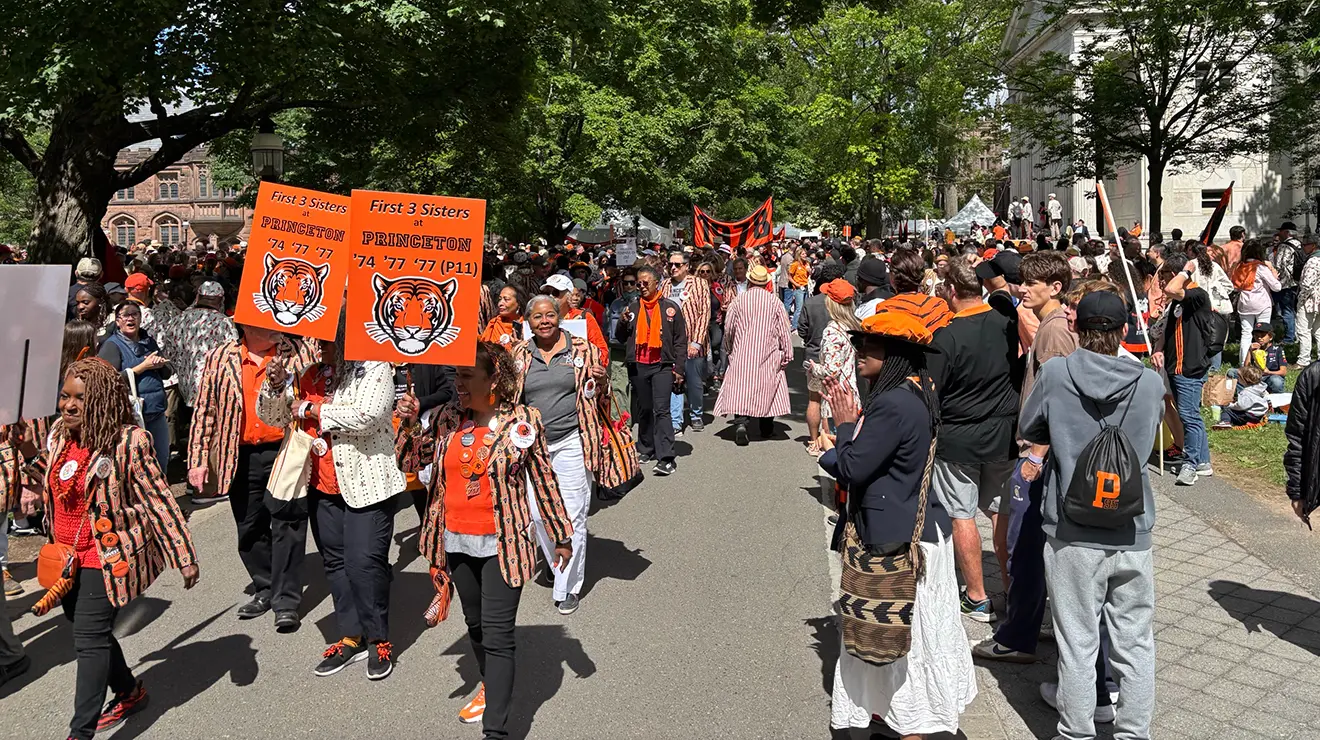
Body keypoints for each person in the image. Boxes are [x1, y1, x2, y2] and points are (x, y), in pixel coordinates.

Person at [819, 301, 977, 739]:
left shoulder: (892, 404)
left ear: (895, 355)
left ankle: (909, 726)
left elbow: (853, 468)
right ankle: (889, 715)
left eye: (871, 345)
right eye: (862, 342)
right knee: (903, 645)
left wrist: (843, 433)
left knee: (896, 644)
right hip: (917, 529)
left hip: (896, 541)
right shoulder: (917, 388)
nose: (861, 350)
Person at [1018, 291, 1163, 740]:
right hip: (1131, 526)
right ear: (1124, 331)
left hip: (1071, 526)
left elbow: (1028, 426)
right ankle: (1134, 732)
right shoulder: (1150, 381)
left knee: (1077, 641)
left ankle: (1076, 732)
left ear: (1077, 327)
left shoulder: (1058, 372)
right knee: (1136, 642)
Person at [419, 342, 574, 738]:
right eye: (456, 376)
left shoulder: (522, 421)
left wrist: (560, 533)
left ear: (494, 380)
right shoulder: (447, 418)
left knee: (499, 634)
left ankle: (496, 732)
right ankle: (491, 685)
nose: (458, 384)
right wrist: (407, 422)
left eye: (467, 376)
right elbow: (415, 464)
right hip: (455, 540)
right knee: (475, 625)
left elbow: (543, 478)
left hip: (503, 544)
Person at [39, 358, 199, 739]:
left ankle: (80, 732)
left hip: (105, 557)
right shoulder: (61, 433)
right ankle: (129, 690)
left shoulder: (128, 441)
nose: (69, 405)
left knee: (88, 640)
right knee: (83, 627)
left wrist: (184, 555)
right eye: (65, 396)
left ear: (103, 401)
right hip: (65, 556)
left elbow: (158, 499)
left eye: (81, 398)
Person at [258, 324, 406, 680]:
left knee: (364, 564)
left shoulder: (374, 366)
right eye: (316, 339)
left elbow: (368, 416)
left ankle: (378, 639)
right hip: (323, 486)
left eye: (325, 339)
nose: (317, 345)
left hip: (367, 483)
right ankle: (350, 636)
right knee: (335, 564)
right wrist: (275, 385)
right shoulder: (309, 373)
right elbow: (274, 417)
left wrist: (310, 408)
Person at [972, 251, 1076, 664]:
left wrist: (1035, 455)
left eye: (1033, 283)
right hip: (1038, 450)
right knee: (1030, 548)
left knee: (1025, 548)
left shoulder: (1053, 331)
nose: (1023, 288)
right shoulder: (1051, 324)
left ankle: (1017, 637)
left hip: (1038, 455)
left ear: (1055, 287)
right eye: (1023, 281)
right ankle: (1032, 623)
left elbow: (1058, 400)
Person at [189, 325, 310, 632]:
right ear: (247, 325)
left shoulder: (296, 351)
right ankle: (266, 585)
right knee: (249, 526)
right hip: (239, 454)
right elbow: (206, 409)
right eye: (267, 322)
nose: (276, 327)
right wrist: (198, 459)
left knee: (288, 525)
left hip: (284, 449)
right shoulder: (220, 358)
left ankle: (286, 601)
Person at [928, 258, 1019, 623]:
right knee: (1003, 512)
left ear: (951, 292)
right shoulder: (1006, 324)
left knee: (961, 514)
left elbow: (932, 390)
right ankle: (1015, 592)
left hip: (958, 438)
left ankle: (978, 597)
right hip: (1002, 433)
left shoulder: (945, 336)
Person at [510, 295, 611, 615]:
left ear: (560, 317)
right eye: (537, 316)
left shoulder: (582, 349)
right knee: (538, 514)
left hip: (572, 441)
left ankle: (567, 586)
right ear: (527, 321)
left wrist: (603, 380)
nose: (544, 321)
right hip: (532, 448)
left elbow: (601, 395)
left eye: (550, 315)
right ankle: (557, 560)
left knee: (574, 514)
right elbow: (507, 397)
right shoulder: (518, 354)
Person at [615, 265, 687, 476]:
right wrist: (621, 322)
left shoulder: (670, 308)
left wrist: (679, 369)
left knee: (661, 409)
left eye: (646, 282)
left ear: (657, 283)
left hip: (662, 366)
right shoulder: (632, 309)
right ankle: (646, 448)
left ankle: (666, 457)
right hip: (638, 365)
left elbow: (680, 341)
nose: (642, 286)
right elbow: (620, 337)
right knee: (644, 408)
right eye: (639, 283)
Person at [1155, 254, 1217, 487]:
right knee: (1189, 414)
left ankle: (1190, 464)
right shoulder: (1177, 303)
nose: (1161, 282)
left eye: (1162, 276)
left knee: (1189, 416)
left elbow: (1172, 288)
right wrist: (1159, 349)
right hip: (1174, 365)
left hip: (1189, 367)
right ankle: (1203, 462)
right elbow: (1168, 328)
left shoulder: (1197, 295)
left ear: (1173, 275)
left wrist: (1186, 270)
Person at [714, 264, 793, 445]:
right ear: (766, 283)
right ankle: (766, 427)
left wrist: (730, 347)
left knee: (742, 386)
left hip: (743, 351)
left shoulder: (739, 301)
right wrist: (787, 353)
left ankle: (742, 421)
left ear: (749, 281)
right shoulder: (774, 302)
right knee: (768, 387)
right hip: (768, 351)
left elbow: (729, 328)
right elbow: (784, 330)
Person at [97, 302, 171, 470]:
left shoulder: (148, 341)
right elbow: (106, 381)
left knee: (161, 462)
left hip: (156, 412)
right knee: (137, 466)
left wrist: (160, 364)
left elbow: (167, 372)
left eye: (134, 314)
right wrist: (141, 368)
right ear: (117, 321)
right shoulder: (111, 345)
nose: (130, 318)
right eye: (125, 315)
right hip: (132, 416)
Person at [659, 251, 711, 435]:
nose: (673, 268)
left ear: (686, 266)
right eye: (670, 264)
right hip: (671, 344)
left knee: (695, 382)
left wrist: (696, 342)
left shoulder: (699, 284)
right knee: (675, 380)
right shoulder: (664, 285)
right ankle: (675, 421)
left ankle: (696, 414)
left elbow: (704, 313)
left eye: (677, 265)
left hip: (693, 341)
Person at [799, 264, 849, 452]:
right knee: (833, 401)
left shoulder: (811, 302)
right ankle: (828, 441)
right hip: (837, 356)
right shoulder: (843, 302)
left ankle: (813, 441)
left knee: (814, 399)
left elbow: (802, 329)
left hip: (813, 356)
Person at [806, 279, 862, 434]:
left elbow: (832, 371)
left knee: (835, 447)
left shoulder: (832, 331)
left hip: (836, 399)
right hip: (851, 392)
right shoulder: (855, 326)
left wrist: (814, 368)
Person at [1231, 239, 1281, 367]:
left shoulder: (1239, 267)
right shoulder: (1260, 267)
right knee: (1263, 333)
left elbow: (1235, 287)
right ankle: (1262, 363)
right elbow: (1277, 287)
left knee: (1246, 333)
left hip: (1244, 303)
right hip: (1262, 303)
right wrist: (1274, 276)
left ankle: (1243, 363)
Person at [541, 273, 608, 363]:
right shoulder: (537, 319)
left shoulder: (584, 318)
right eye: (546, 293)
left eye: (555, 293)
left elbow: (602, 351)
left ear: (569, 295)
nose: (550, 296)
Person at [1270, 222, 1303, 343]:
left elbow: (1279, 265)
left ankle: (1289, 338)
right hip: (1296, 282)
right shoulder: (1299, 244)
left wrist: (1274, 278)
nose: (1279, 234)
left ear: (1286, 232)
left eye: (1281, 231)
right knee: (1295, 309)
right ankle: (1297, 334)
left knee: (1286, 310)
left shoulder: (1283, 246)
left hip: (1285, 283)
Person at [1215, 363, 1268, 428]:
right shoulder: (1261, 388)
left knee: (1226, 410)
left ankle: (1225, 422)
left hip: (1248, 416)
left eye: (1239, 377)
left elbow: (1241, 406)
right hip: (1259, 415)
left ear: (1244, 380)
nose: (1238, 379)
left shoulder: (1246, 392)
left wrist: (1230, 405)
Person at [1240, 322, 1288, 394]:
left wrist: (1269, 372)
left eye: (1263, 336)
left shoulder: (1277, 349)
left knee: (1276, 381)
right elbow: (1246, 368)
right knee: (1232, 372)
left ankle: (1276, 396)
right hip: (1256, 377)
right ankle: (1241, 395)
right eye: (1256, 336)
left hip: (1271, 376)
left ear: (1270, 337)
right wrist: (1250, 351)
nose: (1259, 338)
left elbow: (1283, 372)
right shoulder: (1254, 348)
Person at [1295, 235, 1320, 368]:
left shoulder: (1313, 261)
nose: (1303, 247)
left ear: (1313, 245)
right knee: (1318, 330)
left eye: (1305, 245)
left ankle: (1303, 360)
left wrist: (1301, 298)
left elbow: (1307, 285)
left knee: (1304, 330)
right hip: (1318, 300)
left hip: (1309, 301)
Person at [480, 284, 528, 349]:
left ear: (518, 303)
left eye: (506, 299)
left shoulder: (527, 327)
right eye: (500, 299)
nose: (500, 303)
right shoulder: (494, 323)